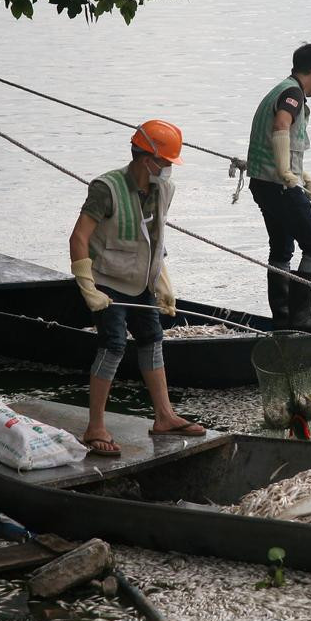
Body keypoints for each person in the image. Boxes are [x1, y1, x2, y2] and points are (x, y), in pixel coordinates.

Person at [68, 120, 205, 454]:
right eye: (167, 162)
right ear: (148, 160)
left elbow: (155, 240)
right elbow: (79, 237)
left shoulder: (163, 191)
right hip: (107, 282)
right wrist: (88, 287)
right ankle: (95, 426)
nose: (170, 169)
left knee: (153, 339)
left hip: (140, 280)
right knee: (113, 346)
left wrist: (163, 284)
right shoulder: (107, 188)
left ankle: (164, 416)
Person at [245, 43, 311, 333]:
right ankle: (301, 318)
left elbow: (281, 145)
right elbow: (281, 125)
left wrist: (303, 175)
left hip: (263, 183)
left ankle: (282, 317)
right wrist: (286, 173)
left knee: (282, 248)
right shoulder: (293, 93)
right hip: (278, 186)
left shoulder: (280, 89)